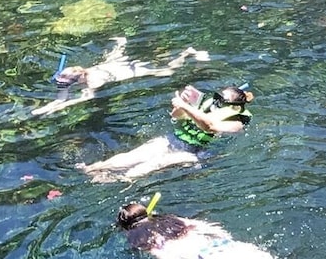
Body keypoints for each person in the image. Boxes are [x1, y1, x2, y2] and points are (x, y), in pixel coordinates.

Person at [78, 85, 253, 181]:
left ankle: (119, 179)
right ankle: (96, 167)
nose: (216, 102)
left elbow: (209, 127)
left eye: (222, 101)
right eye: (217, 97)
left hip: (198, 153)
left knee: (157, 163)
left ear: (234, 106)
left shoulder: (236, 123)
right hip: (176, 139)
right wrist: (180, 105)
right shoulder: (204, 104)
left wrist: (185, 106)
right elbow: (176, 117)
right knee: (136, 154)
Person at [33, 37, 208, 116]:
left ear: (79, 79)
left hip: (128, 71)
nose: (62, 85)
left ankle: (188, 52)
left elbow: (84, 98)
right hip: (112, 66)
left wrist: (60, 107)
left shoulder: (94, 81)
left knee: (167, 72)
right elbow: (62, 95)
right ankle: (121, 43)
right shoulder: (80, 73)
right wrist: (49, 106)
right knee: (114, 56)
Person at [117, 202, 274, 259]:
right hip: (226, 246)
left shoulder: (138, 238)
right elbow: (206, 227)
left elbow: (163, 255)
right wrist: (228, 239)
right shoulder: (172, 220)